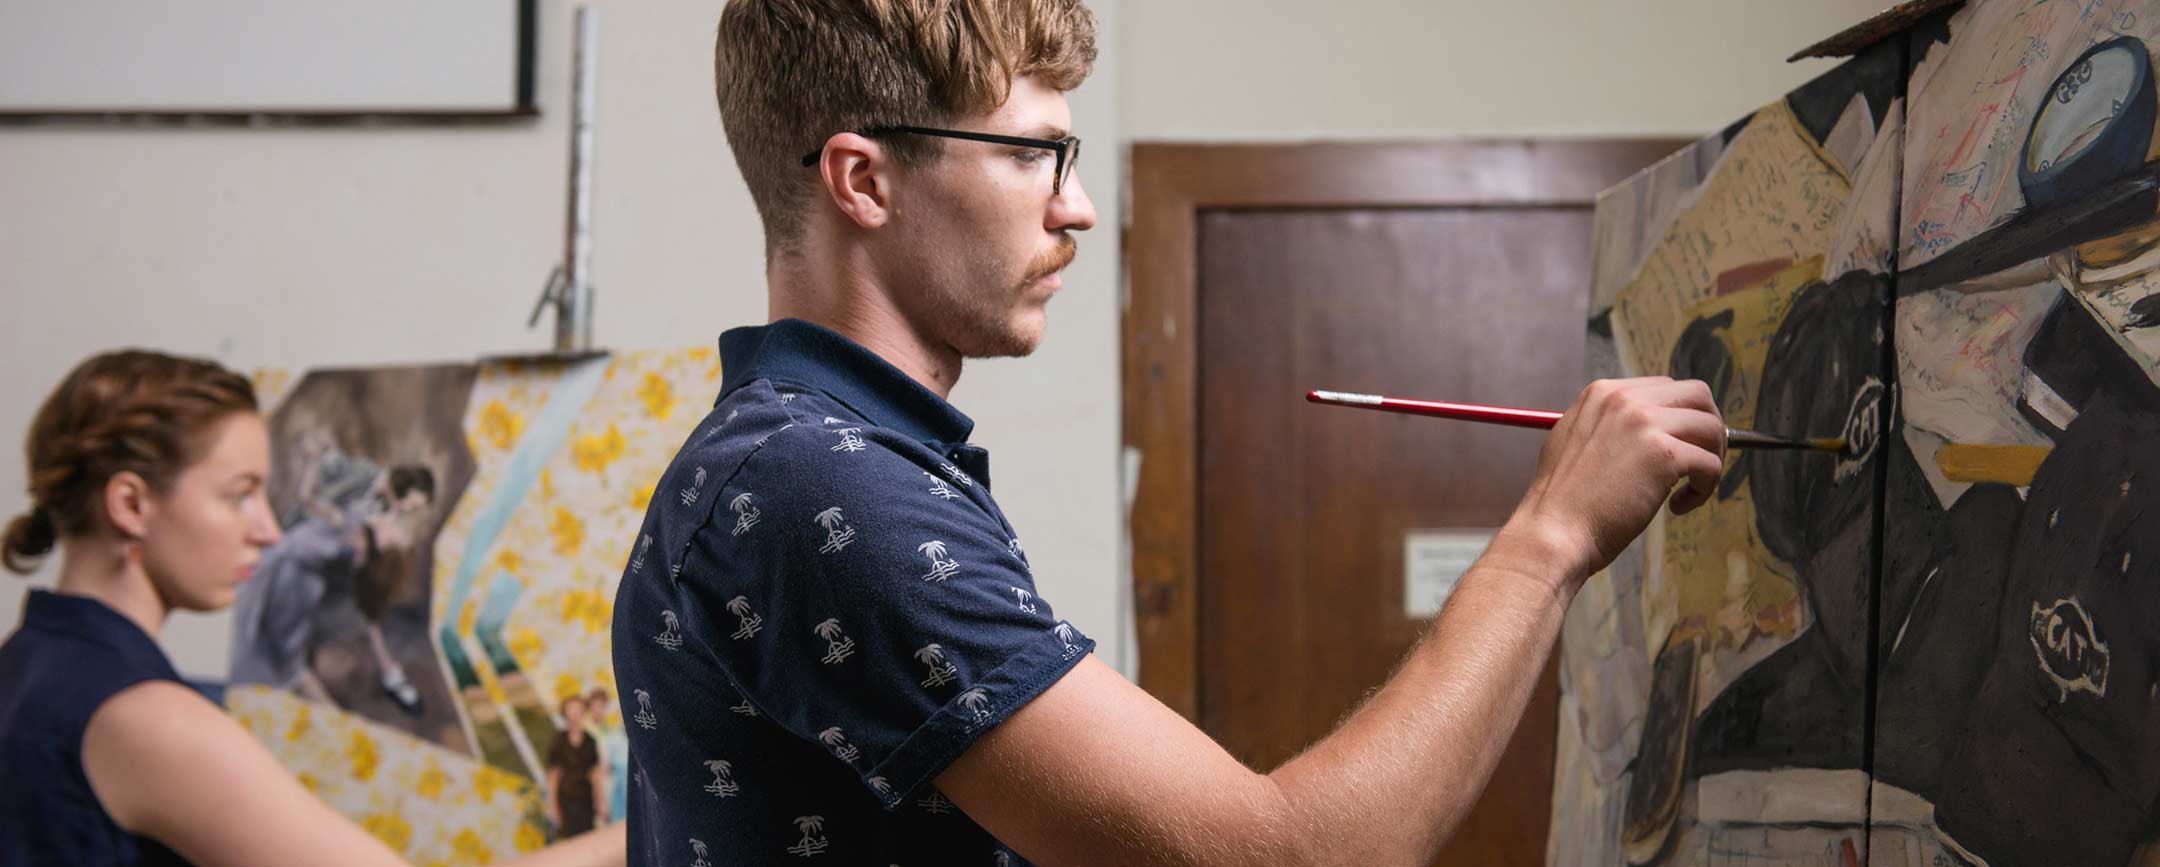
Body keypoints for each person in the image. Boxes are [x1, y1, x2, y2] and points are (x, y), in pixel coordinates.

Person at [606, 1, 1728, 865]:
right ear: (863, 180)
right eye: (1031, 151)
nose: (1077, 204)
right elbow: (1296, 859)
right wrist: (1552, 536)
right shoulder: (822, 487)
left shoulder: (795, 462)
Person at [0, 350, 626, 867]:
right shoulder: (144, 718)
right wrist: (634, 837)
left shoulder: (28, 663)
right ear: (131, 504)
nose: (269, 530)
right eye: (240, 494)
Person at [545, 695, 604, 837]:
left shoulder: (591, 741)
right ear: (564, 714)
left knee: (589, 836)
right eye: (571, 710)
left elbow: (595, 774)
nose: (575, 714)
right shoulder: (558, 742)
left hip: (586, 798)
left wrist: (600, 801)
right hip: (566, 799)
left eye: (578, 710)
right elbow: (553, 775)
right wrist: (553, 806)